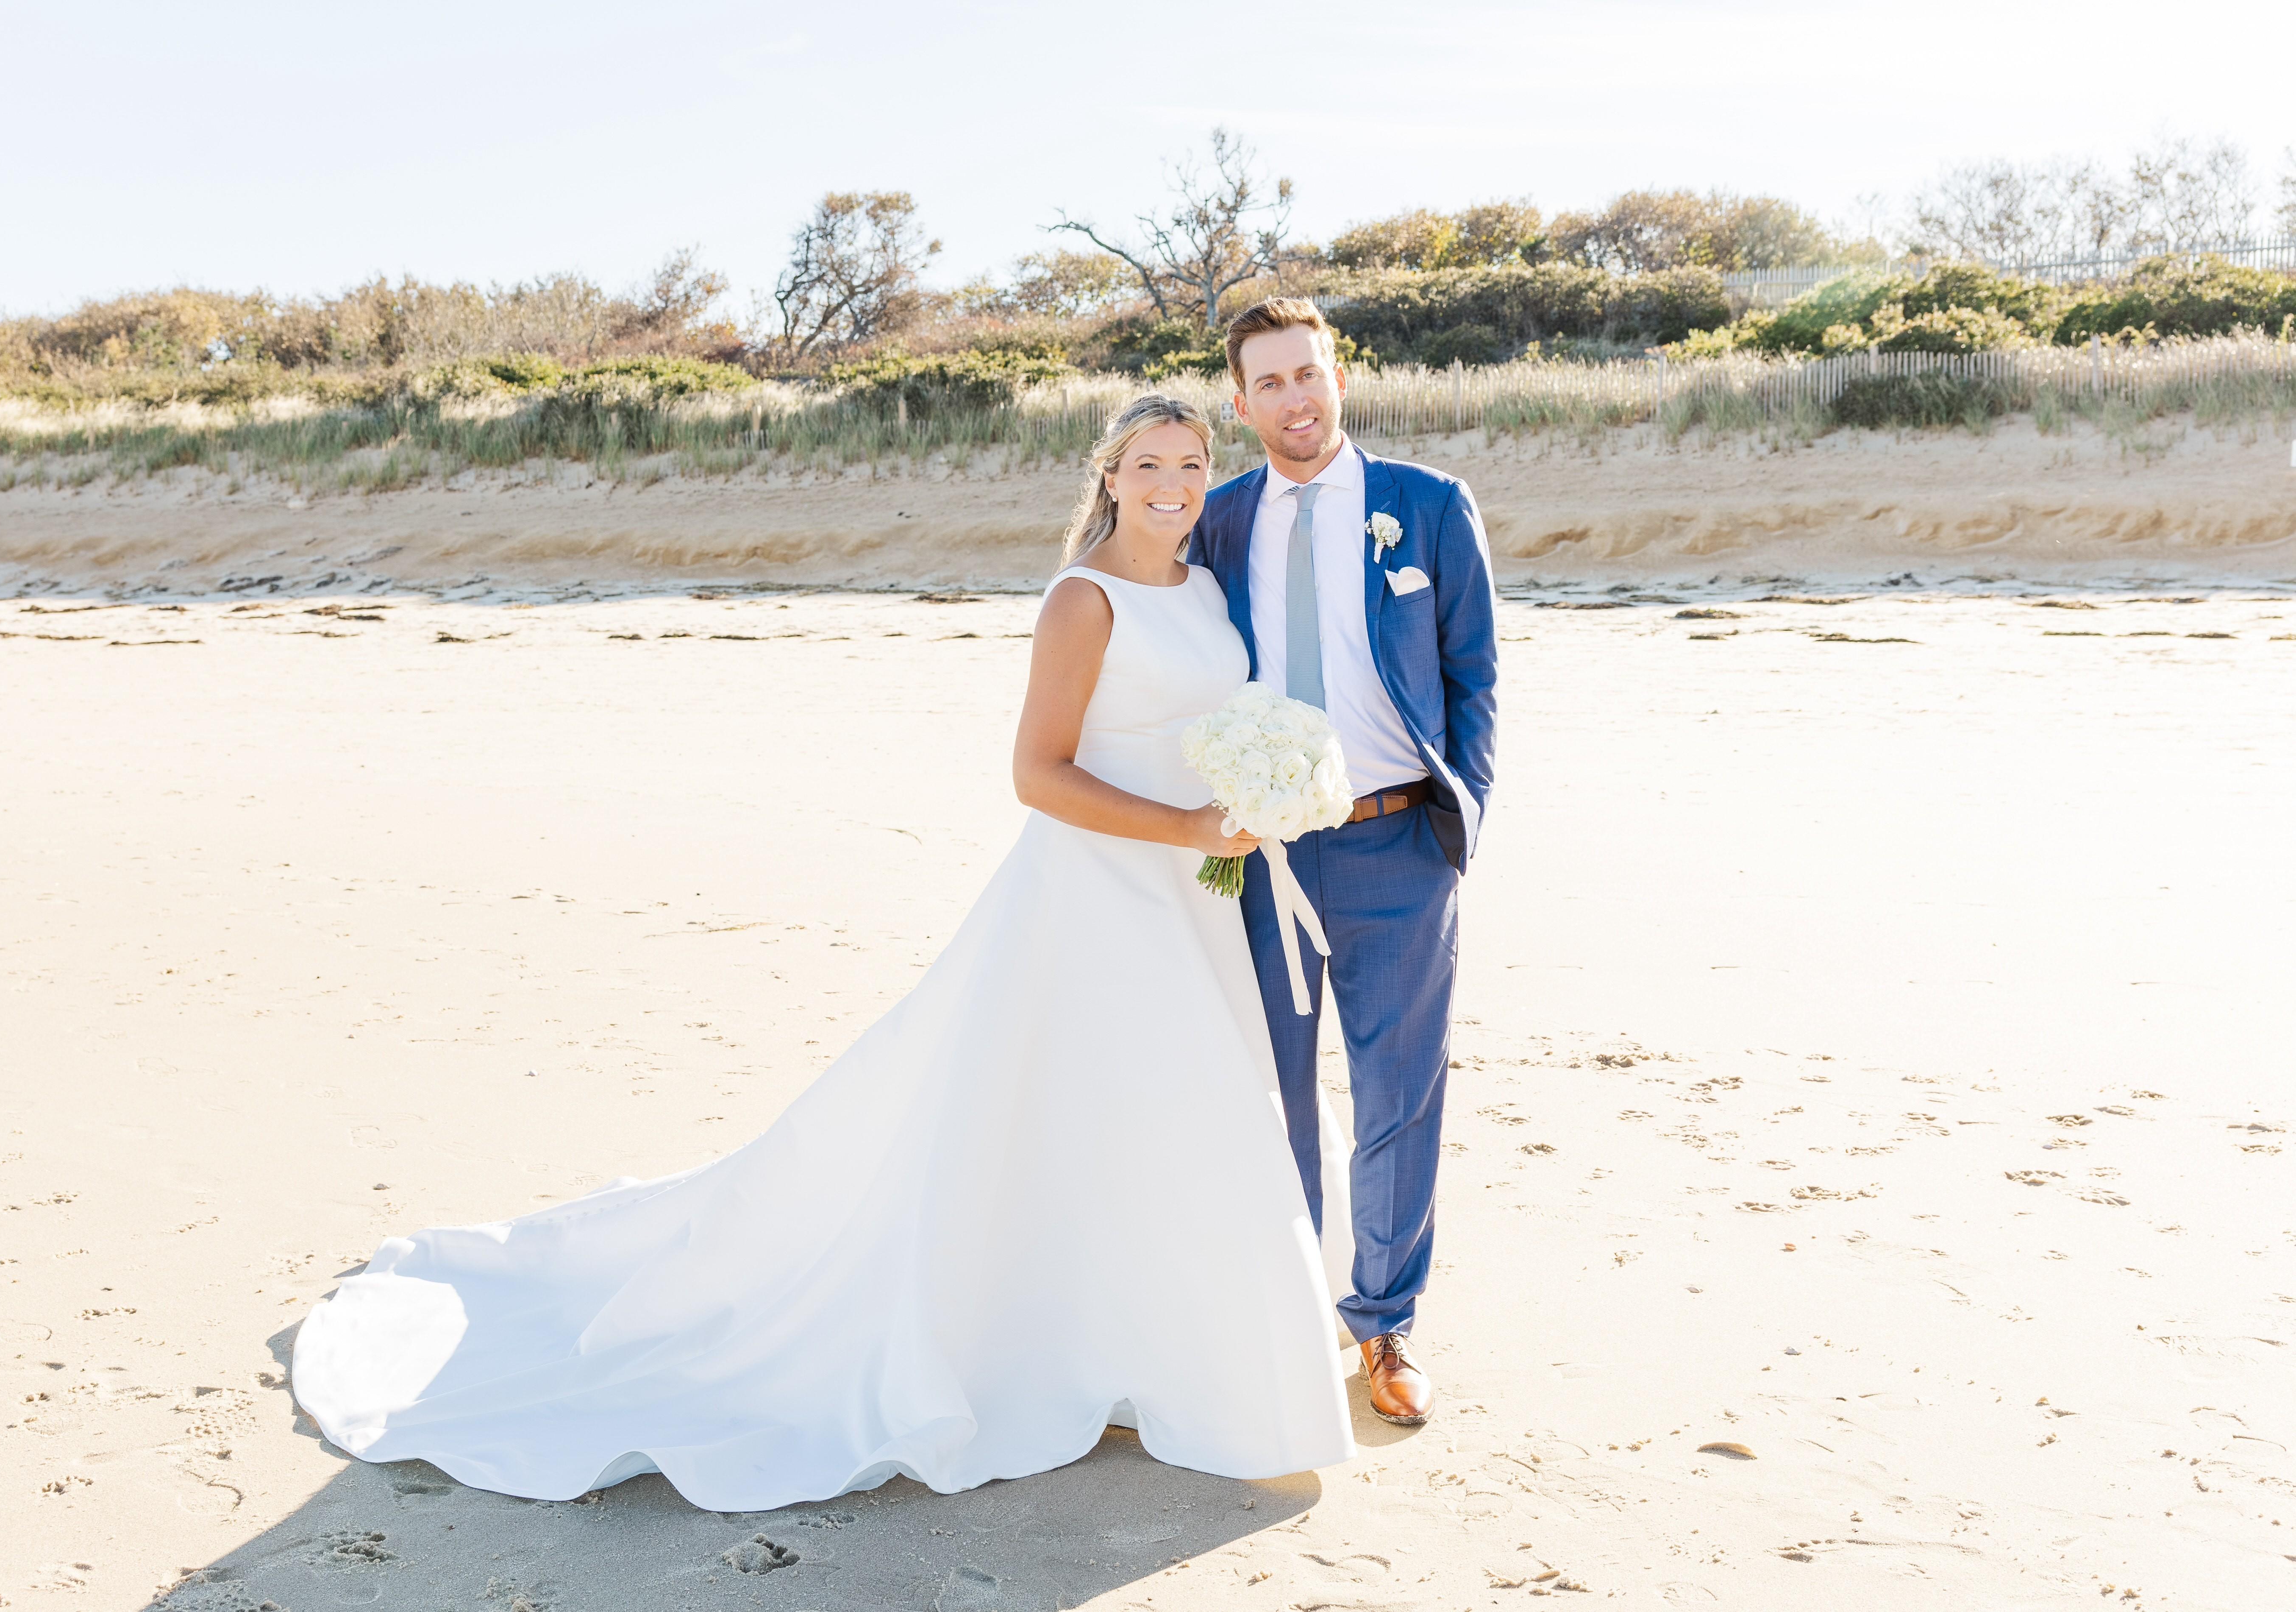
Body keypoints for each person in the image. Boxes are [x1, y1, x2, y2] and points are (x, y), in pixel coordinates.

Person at [290, 395, 1359, 1512]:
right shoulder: (1082, 600)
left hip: (1195, 894)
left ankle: (1154, 1346)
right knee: (1091, 1104)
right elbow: (1036, 774)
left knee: (1161, 1110)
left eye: (1190, 464)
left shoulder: (1201, 588)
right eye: (1149, 465)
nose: (1173, 486)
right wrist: (1184, 826)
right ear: (1110, 476)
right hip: (1099, 892)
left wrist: (1256, 792)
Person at [1186, 297, 1499, 1427]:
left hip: (1400, 844)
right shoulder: (1218, 522)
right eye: (1268, 383)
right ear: (1241, 404)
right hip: (1262, 855)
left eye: (1307, 374)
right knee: (1272, 1088)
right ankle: (1284, 1313)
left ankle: (1384, 1323)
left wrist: (1461, 827)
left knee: (1398, 1092)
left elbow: (1473, 676)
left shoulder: (1427, 506)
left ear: (1340, 379)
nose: (1294, 399)